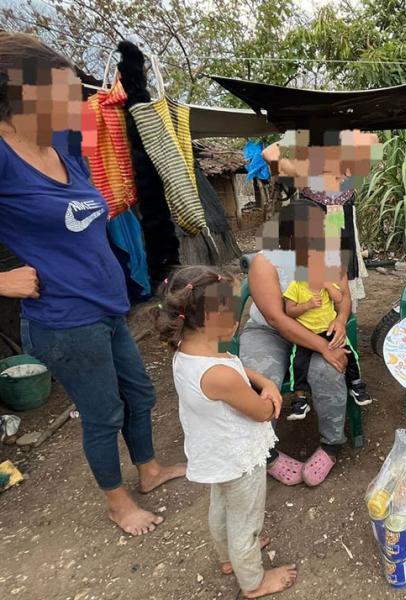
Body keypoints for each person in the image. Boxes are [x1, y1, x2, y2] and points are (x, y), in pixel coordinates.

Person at [0, 32, 184, 536]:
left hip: (108, 305)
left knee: (140, 394)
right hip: (64, 319)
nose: (77, 104)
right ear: (23, 95)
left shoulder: (62, 144)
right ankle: (118, 504)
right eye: (64, 94)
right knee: (103, 413)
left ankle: (149, 470)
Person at [153, 266, 298, 597]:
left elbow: (234, 365)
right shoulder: (219, 374)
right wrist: (271, 394)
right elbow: (262, 412)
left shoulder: (188, 350)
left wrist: (263, 380)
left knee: (221, 506)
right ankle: (254, 582)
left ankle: (228, 557)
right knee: (246, 520)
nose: (238, 313)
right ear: (209, 316)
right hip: (239, 458)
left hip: (214, 453)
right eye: (231, 306)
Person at [239, 199, 353, 488]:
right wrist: (323, 347)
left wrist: (340, 320)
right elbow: (276, 319)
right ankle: (266, 453)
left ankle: (331, 445)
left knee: (329, 370)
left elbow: (344, 298)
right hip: (270, 332)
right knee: (261, 378)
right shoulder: (266, 262)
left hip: (319, 327)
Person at [283, 267, 372, 421]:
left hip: (328, 329)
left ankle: (356, 384)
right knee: (298, 363)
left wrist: (328, 285)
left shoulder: (326, 283)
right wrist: (306, 306)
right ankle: (300, 399)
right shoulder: (296, 285)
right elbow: (289, 311)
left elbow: (339, 298)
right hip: (306, 333)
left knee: (348, 354)